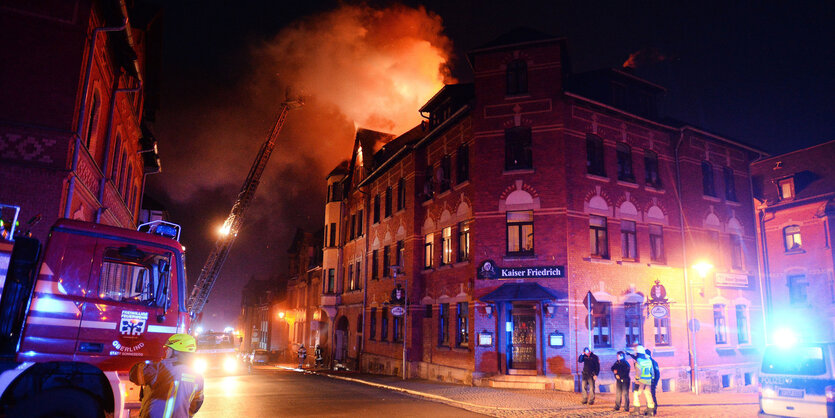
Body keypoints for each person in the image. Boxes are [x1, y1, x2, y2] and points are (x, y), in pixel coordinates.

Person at [129, 333, 204, 418]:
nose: (166, 351)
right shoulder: (198, 377)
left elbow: (134, 375)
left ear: (176, 351)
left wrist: (147, 362)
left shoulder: (160, 368)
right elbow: (196, 404)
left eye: (169, 349)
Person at [628, 345, 655, 416]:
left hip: (640, 381)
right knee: (648, 395)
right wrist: (652, 378)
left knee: (636, 395)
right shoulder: (649, 360)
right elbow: (652, 371)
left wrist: (637, 379)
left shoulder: (638, 361)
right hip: (648, 380)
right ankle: (650, 411)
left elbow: (638, 371)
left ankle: (636, 411)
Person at [646, 348, 660, 416]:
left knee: (652, 395)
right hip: (647, 382)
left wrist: (655, 382)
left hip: (652, 382)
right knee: (648, 396)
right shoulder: (646, 362)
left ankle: (654, 409)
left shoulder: (653, 362)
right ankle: (649, 409)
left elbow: (657, 373)